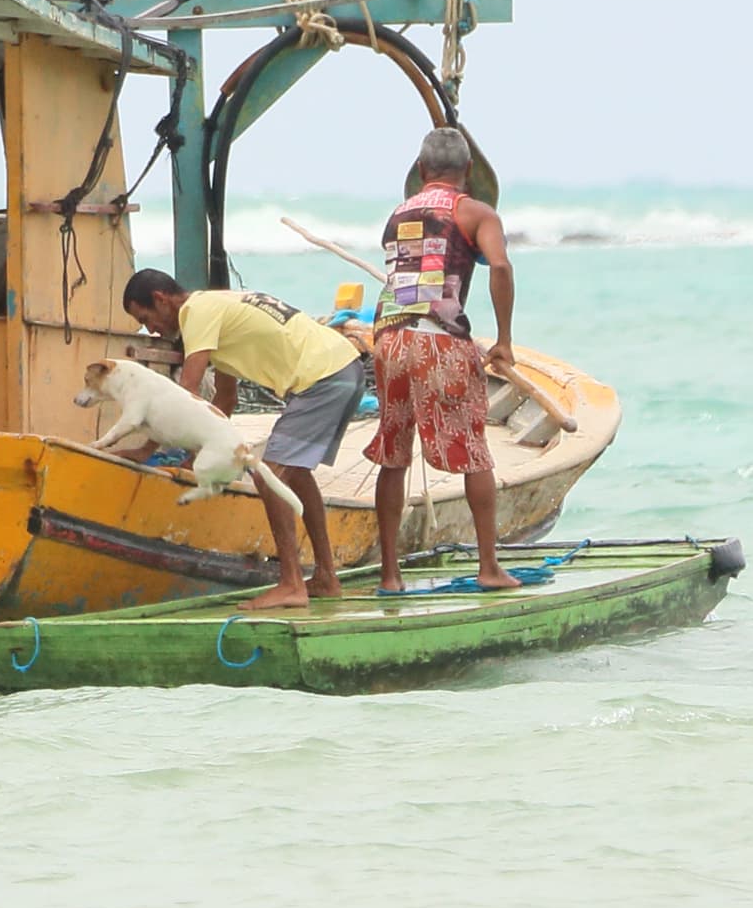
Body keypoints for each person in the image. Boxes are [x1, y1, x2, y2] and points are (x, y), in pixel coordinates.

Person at [120, 271, 368, 610]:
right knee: (295, 474)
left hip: (323, 377)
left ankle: (291, 584)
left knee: (269, 477)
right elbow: (225, 400)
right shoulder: (216, 308)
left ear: (161, 299)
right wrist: (197, 456)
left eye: (146, 319)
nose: (151, 330)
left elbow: (185, 394)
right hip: (345, 368)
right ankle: (325, 577)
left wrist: (147, 448)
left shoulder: (196, 313)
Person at [367, 126, 519, 591]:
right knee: (474, 451)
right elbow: (499, 265)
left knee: (394, 454)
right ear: (468, 170)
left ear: (420, 170)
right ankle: (489, 568)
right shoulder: (476, 212)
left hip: (389, 340)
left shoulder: (397, 214)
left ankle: (390, 575)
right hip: (439, 342)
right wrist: (504, 340)